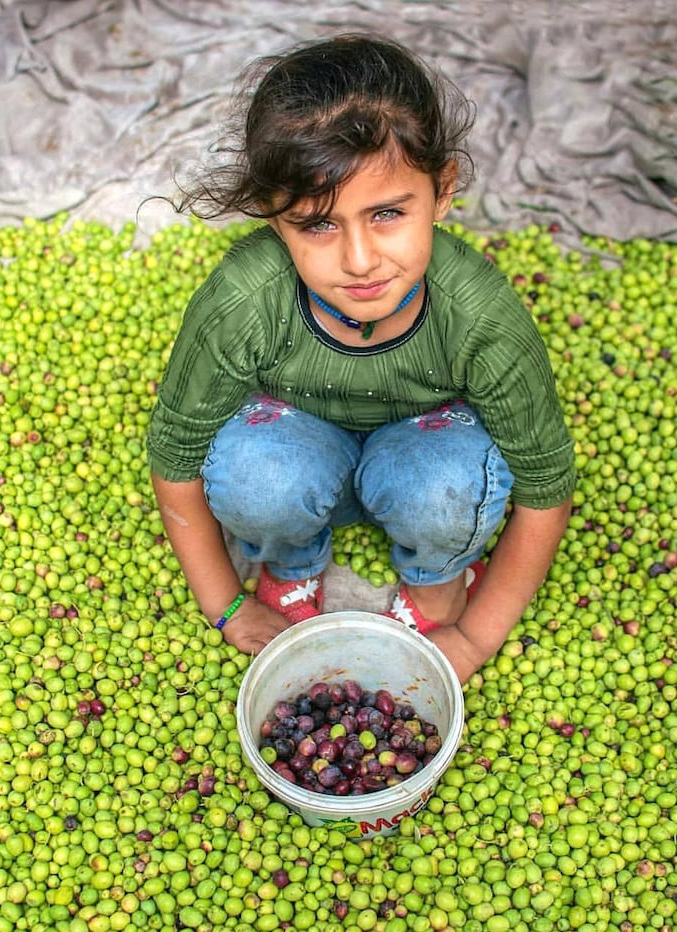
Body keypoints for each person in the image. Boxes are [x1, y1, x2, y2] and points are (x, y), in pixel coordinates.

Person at [147, 33, 575, 685]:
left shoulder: (480, 314)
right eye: (318, 223)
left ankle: (437, 581)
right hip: (296, 446)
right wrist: (225, 605)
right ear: (273, 216)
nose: (359, 259)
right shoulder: (244, 298)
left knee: (443, 491)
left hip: (426, 455)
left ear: (442, 190)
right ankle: (289, 561)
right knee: (257, 475)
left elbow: (546, 491)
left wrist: (472, 640)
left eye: (387, 213)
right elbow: (175, 458)